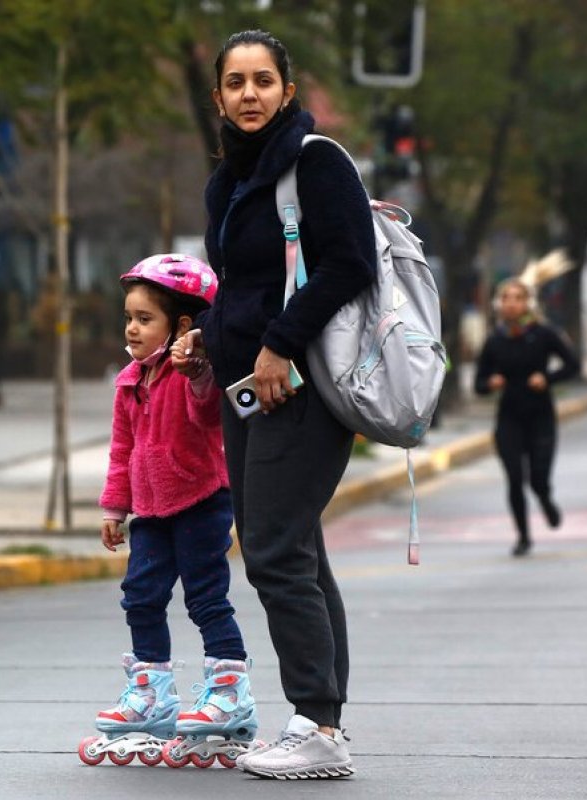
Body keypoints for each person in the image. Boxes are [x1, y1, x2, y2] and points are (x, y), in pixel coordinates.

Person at [171, 30, 376, 780]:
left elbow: (350, 263)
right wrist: (207, 333)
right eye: (236, 82)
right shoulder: (229, 179)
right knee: (295, 549)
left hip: (303, 383)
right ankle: (324, 719)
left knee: (274, 552)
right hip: (250, 390)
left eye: (263, 80)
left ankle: (317, 725)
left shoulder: (315, 162)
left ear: (288, 91)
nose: (249, 94)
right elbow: (246, 282)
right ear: (218, 96)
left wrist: (280, 343)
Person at [79, 253, 258, 769]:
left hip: (201, 501)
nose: (131, 329)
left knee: (206, 597)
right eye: (128, 318)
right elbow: (121, 450)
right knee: (140, 596)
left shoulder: (194, 373)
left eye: (144, 318)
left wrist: (197, 371)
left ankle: (229, 690)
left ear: (181, 325)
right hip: (151, 511)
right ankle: (151, 692)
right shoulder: (129, 381)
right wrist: (115, 506)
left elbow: (208, 415)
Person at [474, 277, 580, 557]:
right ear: (499, 304)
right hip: (509, 418)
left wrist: (547, 378)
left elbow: (573, 365)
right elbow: (478, 384)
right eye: (506, 298)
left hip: (540, 417)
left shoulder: (543, 334)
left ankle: (545, 499)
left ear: (528, 303)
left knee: (538, 480)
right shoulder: (495, 340)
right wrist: (490, 383)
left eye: (518, 298)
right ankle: (523, 536)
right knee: (514, 478)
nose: (511, 304)